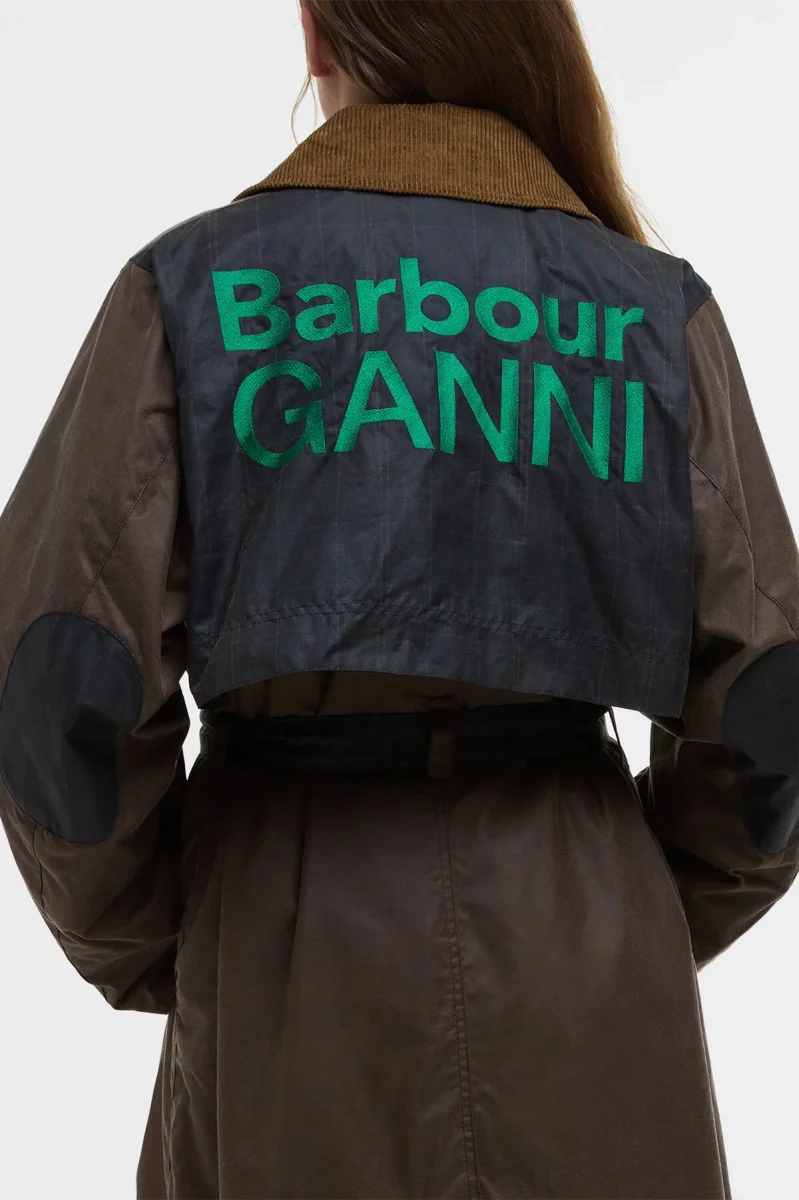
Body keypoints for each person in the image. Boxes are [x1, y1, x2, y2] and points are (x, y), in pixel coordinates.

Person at [1, 1, 797, 1196]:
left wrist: (168, 930)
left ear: (317, 36)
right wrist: (633, 906)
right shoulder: (650, 308)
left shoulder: (192, 288)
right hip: (583, 941)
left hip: (284, 942)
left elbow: (56, 683)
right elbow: (773, 704)